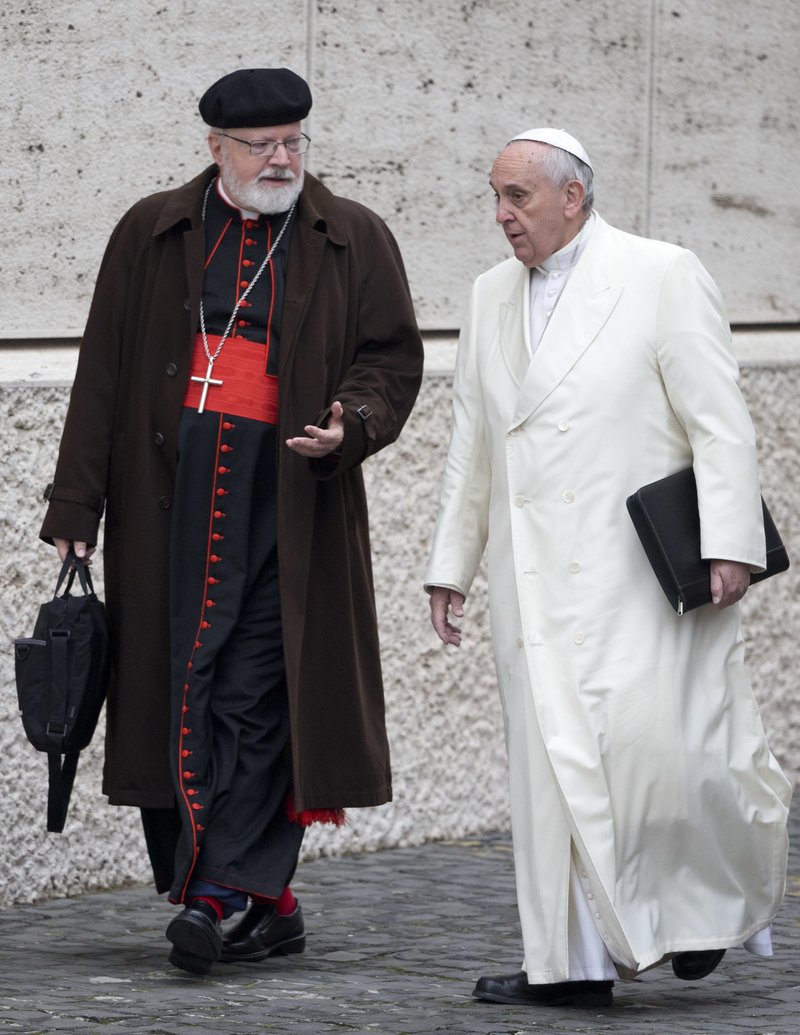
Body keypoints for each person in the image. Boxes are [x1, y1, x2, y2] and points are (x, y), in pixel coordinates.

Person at [40, 67, 423, 975]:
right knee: (179, 686)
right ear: (216, 149)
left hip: (286, 501)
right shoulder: (152, 230)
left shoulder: (352, 236)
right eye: (263, 146)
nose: (283, 159)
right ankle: (269, 900)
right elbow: (103, 368)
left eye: (294, 141)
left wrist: (351, 423)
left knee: (257, 691)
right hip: (164, 499)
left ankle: (219, 895)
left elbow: (392, 361)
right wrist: (75, 503)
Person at [425, 127, 791, 1009]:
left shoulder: (660, 273)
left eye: (518, 197)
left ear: (572, 198)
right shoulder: (486, 294)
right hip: (531, 579)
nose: (502, 215)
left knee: (662, 756)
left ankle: (703, 914)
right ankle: (567, 965)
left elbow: (719, 421)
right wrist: (452, 565)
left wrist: (730, 544)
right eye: (495, 197)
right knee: (548, 768)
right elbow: (473, 440)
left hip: (640, 574)